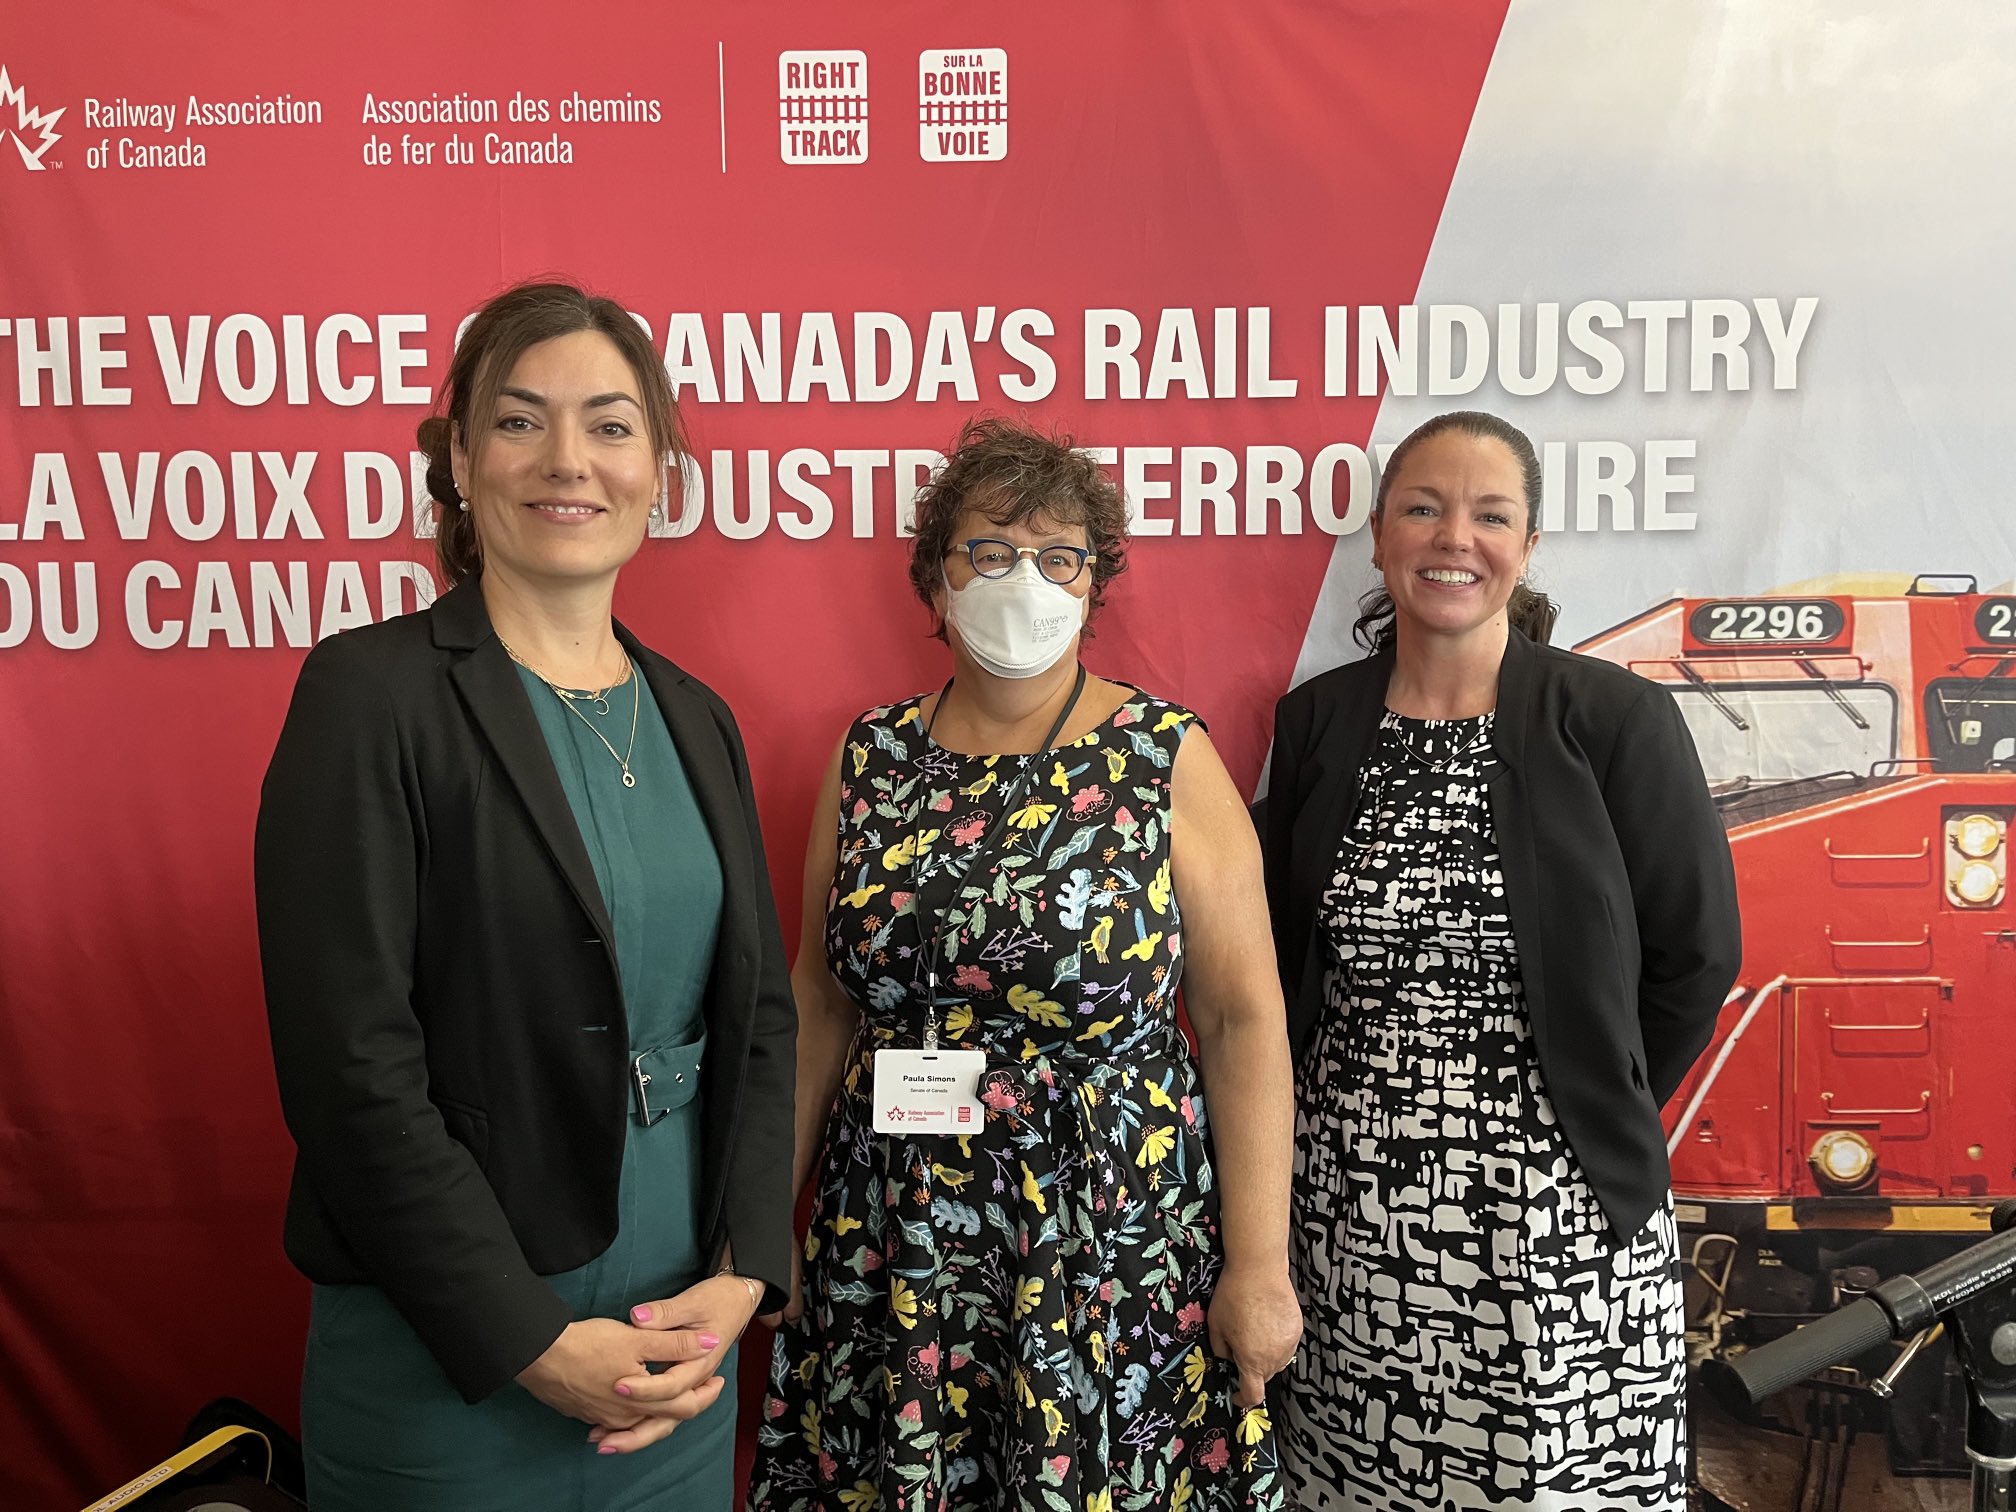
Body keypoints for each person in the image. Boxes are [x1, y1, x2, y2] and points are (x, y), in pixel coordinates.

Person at [255, 280, 796, 1511]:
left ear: (657, 469)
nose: (567, 460)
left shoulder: (697, 716)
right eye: (518, 421)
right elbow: (350, 1067)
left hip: (676, 1362)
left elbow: (761, 1018)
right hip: (451, 1361)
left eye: (610, 425)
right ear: (459, 460)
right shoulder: (369, 696)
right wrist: (529, 1343)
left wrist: (745, 1275)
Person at [747, 418, 1302, 1511]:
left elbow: (1242, 1019)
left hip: (1103, 1233)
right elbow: (819, 998)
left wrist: (1260, 1265)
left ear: (1094, 587)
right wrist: (770, 1216)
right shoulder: (872, 755)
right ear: (935, 579)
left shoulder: (1163, 755)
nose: (1026, 581)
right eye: (990, 551)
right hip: (896, 1233)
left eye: (1059, 557)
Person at [1261, 410, 1741, 1511]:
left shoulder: (1613, 718)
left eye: (1490, 515)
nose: (1454, 539)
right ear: (1380, 534)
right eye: (1423, 509)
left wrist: (1596, 1105)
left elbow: (1697, 955)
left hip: (1557, 1224)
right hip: (1345, 1222)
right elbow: (1284, 963)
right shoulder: (1316, 723)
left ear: (1528, 544)